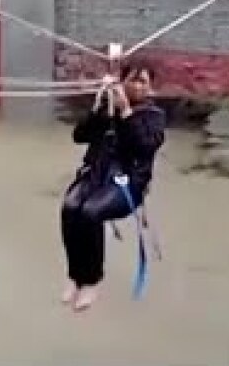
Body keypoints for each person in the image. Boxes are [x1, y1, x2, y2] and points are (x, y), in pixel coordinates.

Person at [60, 62, 167, 311]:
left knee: (90, 213)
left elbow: (145, 147)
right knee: (70, 207)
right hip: (94, 176)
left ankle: (92, 281)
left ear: (150, 88)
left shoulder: (154, 116)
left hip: (127, 182)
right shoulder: (107, 110)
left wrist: (127, 112)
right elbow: (79, 136)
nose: (137, 86)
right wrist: (100, 110)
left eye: (143, 82)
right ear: (122, 82)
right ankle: (76, 276)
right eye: (133, 80)